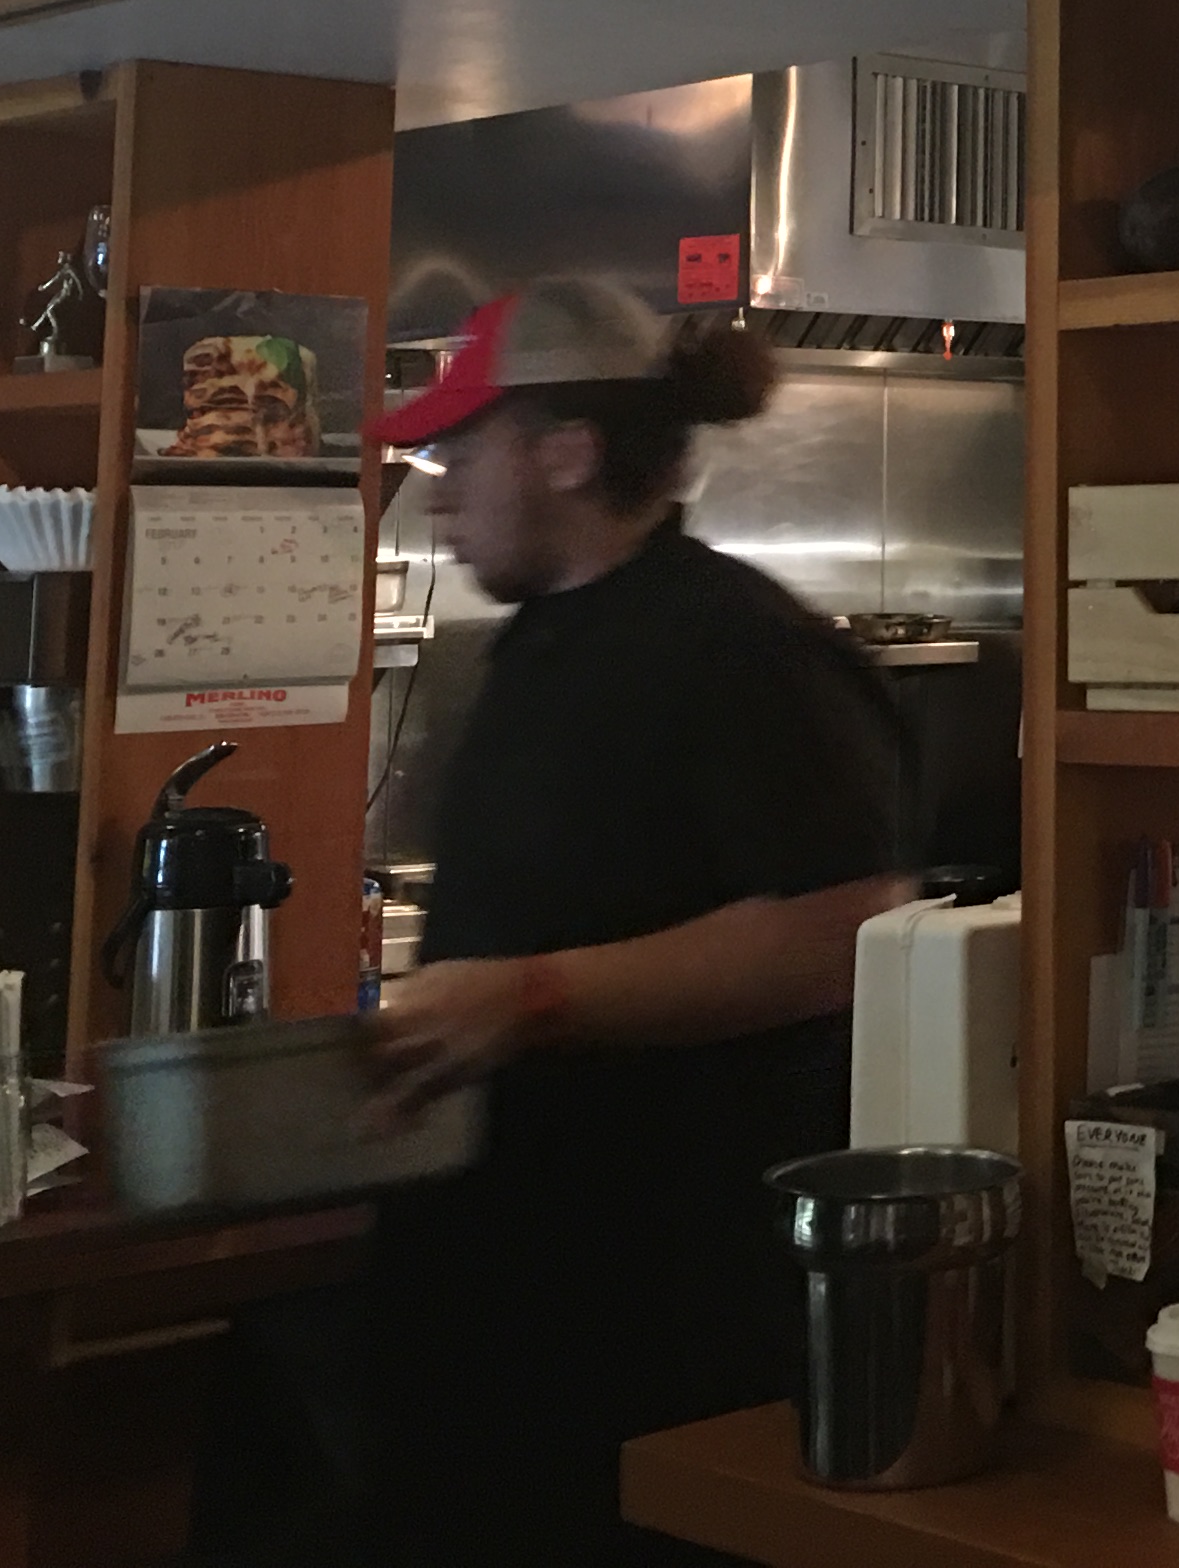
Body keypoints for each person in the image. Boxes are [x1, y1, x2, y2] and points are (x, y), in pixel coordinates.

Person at [360, 282, 918, 1566]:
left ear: (566, 452)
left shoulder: (736, 648)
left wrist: (530, 997)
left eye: (460, 453)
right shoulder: (540, 643)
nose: (436, 494)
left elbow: (845, 928)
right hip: (505, 1293)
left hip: (652, 1312)